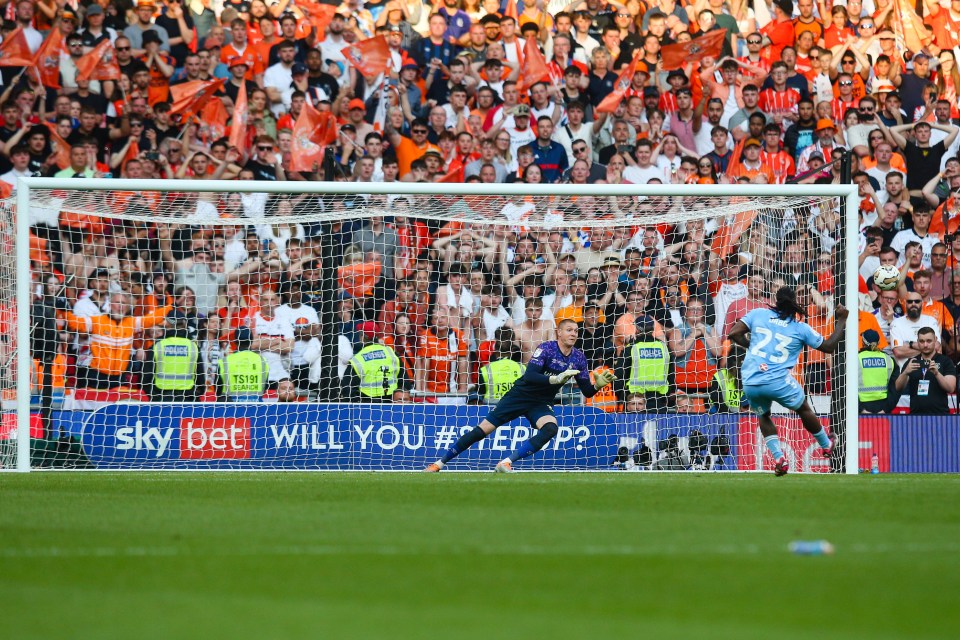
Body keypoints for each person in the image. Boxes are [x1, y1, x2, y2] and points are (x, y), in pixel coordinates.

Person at [424, 319, 615, 472]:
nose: (573, 333)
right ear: (558, 332)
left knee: (550, 429)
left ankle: (506, 463)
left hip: (540, 402)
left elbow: (587, 391)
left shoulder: (579, 357)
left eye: (576, 331)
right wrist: (555, 380)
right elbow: (531, 375)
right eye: (569, 330)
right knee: (481, 431)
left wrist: (597, 385)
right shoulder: (546, 348)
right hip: (520, 395)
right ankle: (439, 463)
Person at [728, 286, 848, 476]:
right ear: (795, 305)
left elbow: (733, 333)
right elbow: (829, 346)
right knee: (803, 408)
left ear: (776, 301)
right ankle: (826, 445)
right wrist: (841, 319)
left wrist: (753, 346)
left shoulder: (758, 314)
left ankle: (779, 458)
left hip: (751, 380)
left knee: (764, 415)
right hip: (778, 381)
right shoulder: (800, 328)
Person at [892, 327, 957, 415]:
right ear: (917, 341)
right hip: (916, 416)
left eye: (929, 341)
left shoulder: (945, 361)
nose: (925, 345)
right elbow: (897, 388)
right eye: (922, 341)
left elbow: (950, 388)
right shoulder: (911, 362)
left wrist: (937, 374)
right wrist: (905, 372)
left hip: (940, 415)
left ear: (935, 340)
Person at [143, 311, 203, 402]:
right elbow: (201, 378)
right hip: (187, 399)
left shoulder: (157, 345)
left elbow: (146, 377)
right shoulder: (193, 346)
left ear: (167, 323)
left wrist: (155, 397)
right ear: (184, 323)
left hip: (161, 399)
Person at [342, 321, 402, 402]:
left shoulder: (358, 358)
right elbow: (404, 380)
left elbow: (346, 388)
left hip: (367, 405)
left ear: (362, 337)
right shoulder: (390, 352)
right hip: (391, 404)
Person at [217, 328, 270, 401]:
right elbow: (265, 386)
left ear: (235, 341)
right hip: (256, 406)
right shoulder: (262, 361)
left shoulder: (224, 361)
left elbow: (218, 389)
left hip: (230, 407)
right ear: (251, 341)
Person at [479, 327, 525, 403]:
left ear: (495, 348)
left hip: (491, 411)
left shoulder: (485, 370)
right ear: (512, 349)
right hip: (517, 411)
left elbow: (480, 394)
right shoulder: (522, 369)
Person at [858, 329, 894, 414]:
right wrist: (885, 409)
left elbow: (847, 387)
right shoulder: (888, 359)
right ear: (879, 342)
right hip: (883, 405)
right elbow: (895, 388)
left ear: (863, 342)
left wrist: (861, 409)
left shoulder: (856, 358)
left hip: (862, 404)